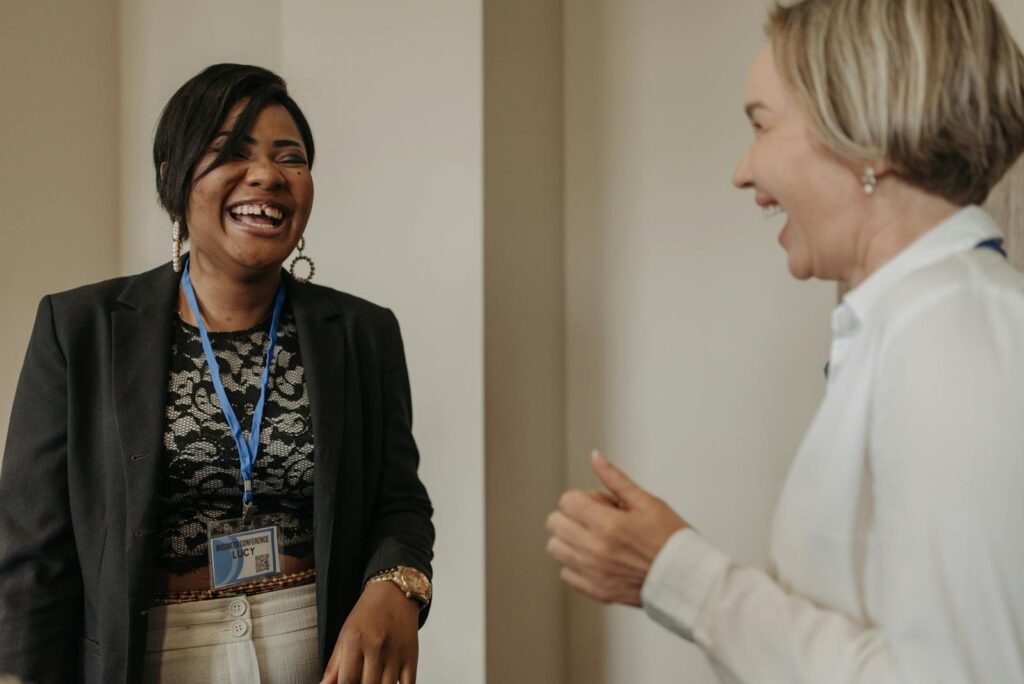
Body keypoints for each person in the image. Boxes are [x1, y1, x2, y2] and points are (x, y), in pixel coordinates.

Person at [547, 0, 1024, 681]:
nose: (744, 172)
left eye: (762, 125)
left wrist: (680, 575)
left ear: (867, 136)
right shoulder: (911, 327)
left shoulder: (953, 336)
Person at [0, 64, 434, 684]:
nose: (268, 174)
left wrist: (396, 585)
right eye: (232, 152)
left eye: (292, 157)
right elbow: (33, 547)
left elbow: (400, 504)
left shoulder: (363, 332)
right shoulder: (79, 329)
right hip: (149, 652)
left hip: (317, 650)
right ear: (171, 178)